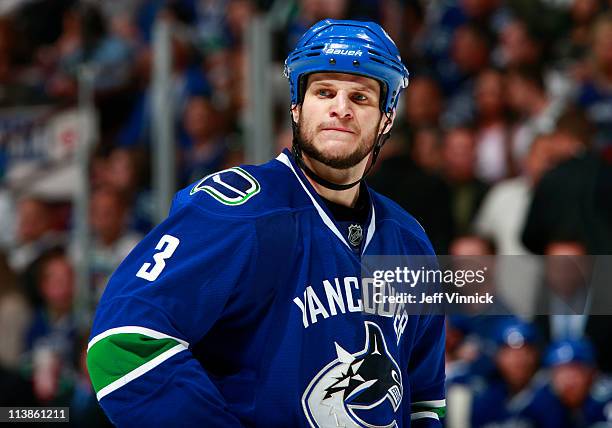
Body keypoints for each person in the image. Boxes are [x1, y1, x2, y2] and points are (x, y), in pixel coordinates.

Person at [87, 19, 446, 427]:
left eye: (361, 97)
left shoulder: (410, 242)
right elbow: (122, 344)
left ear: (386, 119)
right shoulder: (240, 211)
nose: (341, 108)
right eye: (324, 92)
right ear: (296, 106)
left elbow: (424, 401)